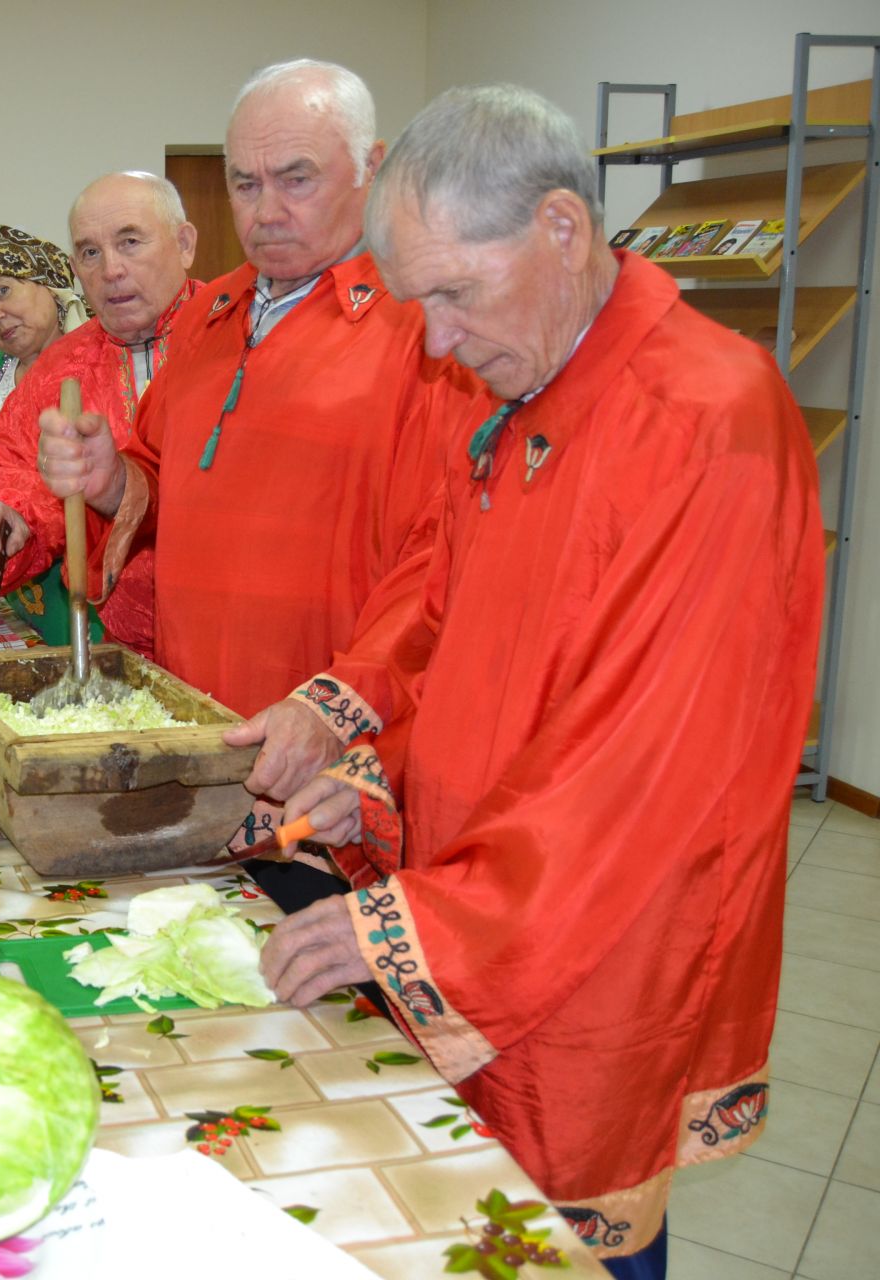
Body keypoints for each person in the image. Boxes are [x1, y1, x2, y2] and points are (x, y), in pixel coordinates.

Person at [247, 85, 823, 1278]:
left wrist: (416, 925)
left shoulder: (705, 421)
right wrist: (378, 776)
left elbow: (649, 772)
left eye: (454, 293)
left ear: (563, 228)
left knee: (565, 1240)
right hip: (494, 890)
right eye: (420, 304)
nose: (439, 344)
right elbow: (466, 639)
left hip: (590, 938)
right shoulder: (523, 385)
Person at [37, 60, 483, 916]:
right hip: (203, 737)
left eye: (297, 179)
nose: (266, 210)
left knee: (333, 1010)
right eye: (244, 183)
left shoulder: (427, 327)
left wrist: (337, 706)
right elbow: (163, 477)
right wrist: (109, 477)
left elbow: (448, 558)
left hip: (334, 756)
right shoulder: (211, 315)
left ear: (373, 167)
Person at [0, 188, 197, 652]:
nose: (111, 269)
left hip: (253, 639)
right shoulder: (55, 375)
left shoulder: (243, 336)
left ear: (184, 244)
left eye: (131, 241)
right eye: (91, 252)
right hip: (119, 645)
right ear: (76, 268)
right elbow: (26, 500)